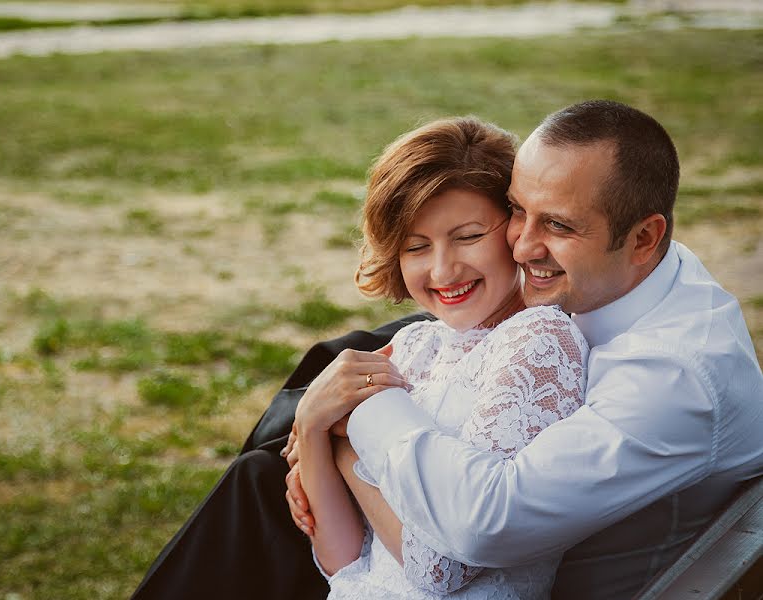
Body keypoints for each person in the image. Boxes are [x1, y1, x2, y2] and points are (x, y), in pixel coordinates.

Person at [131, 100, 763, 600]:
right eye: (518, 211)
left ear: (644, 237)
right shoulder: (652, 267)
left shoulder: (673, 380)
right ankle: (296, 434)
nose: (520, 246)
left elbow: (479, 526)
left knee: (264, 478)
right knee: (338, 356)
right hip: (449, 498)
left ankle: (293, 444)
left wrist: (345, 428)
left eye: (559, 226)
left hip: (491, 563)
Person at [289, 116, 590, 598]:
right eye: (416, 247)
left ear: (514, 228)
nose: (443, 270)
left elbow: (441, 569)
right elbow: (344, 561)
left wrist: (346, 447)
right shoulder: (414, 345)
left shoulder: (539, 341)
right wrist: (311, 428)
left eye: (468, 236)